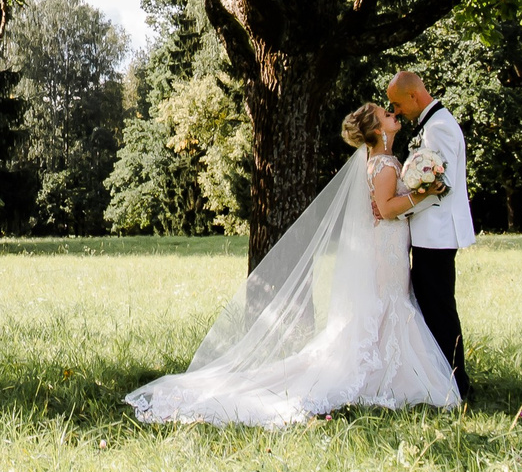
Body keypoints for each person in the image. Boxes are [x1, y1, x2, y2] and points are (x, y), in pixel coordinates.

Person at [123, 102, 459, 426]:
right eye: (384, 113)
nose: (391, 113)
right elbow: (386, 209)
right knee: (389, 305)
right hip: (387, 250)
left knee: (389, 307)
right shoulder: (384, 165)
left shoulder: (383, 161)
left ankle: (389, 369)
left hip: (389, 247)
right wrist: (426, 194)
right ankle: (387, 374)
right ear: (376, 130)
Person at [385, 68, 473, 404]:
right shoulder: (433, 124)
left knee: (439, 309)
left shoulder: (439, 127)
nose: (395, 111)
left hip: (436, 234)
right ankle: (443, 378)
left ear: (412, 95)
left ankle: (457, 383)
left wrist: (399, 208)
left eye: (397, 103)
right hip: (428, 234)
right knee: (432, 306)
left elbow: (441, 186)